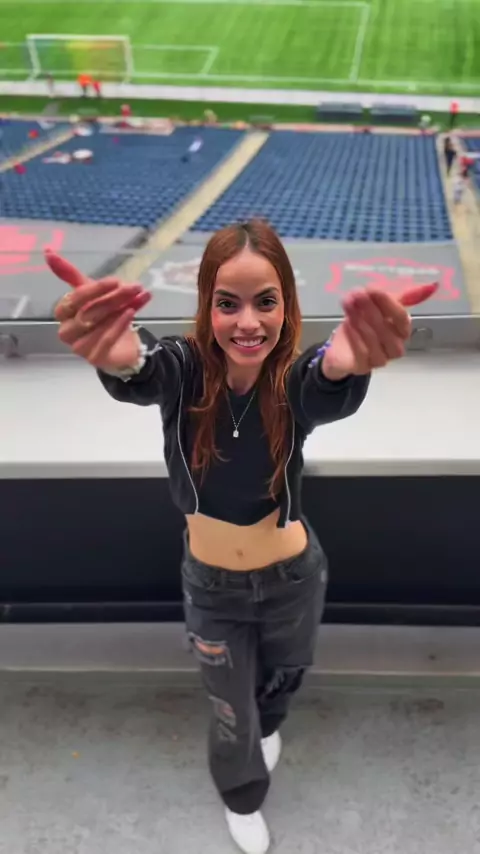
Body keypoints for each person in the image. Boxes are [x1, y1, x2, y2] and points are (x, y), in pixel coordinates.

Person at [46, 220, 436, 854]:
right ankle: (243, 796)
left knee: (283, 680)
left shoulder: (295, 379)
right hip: (212, 589)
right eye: (228, 303)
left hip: (293, 578)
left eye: (266, 302)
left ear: (287, 305)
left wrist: (344, 363)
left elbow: (327, 380)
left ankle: (271, 725)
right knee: (231, 712)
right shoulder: (182, 369)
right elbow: (141, 366)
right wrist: (120, 353)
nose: (247, 321)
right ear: (206, 304)